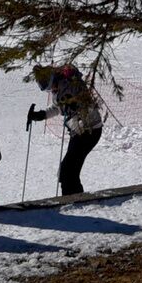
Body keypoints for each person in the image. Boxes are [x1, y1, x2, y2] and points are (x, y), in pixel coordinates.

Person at [44, 68, 103, 197]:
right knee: (68, 170)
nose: (51, 89)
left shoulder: (71, 84)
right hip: (78, 132)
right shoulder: (57, 90)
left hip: (89, 130)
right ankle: (74, 197)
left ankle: (73, 199)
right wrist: (42, 114)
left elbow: (86, 101)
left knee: (68, 170)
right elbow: (57, 107)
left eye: (49, 85)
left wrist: (77, 107)